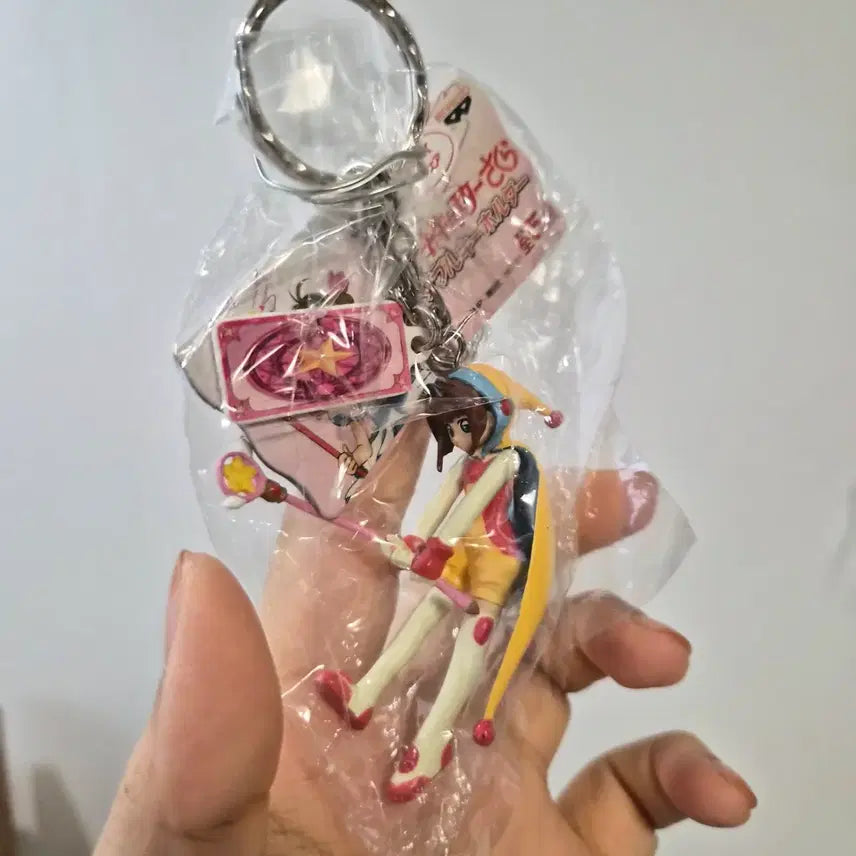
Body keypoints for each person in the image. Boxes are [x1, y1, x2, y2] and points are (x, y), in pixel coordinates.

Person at [94, 423, 757, 855]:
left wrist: (436, 546)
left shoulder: (504, 463)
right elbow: (447, 508)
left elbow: (464, 513)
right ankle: (364, 695)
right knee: (415, 628)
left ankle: (430, 745)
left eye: (460, 423)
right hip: (457, 563)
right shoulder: (471, 466)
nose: (453, 434)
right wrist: (419, 545)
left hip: (490, 576)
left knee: (466, 660)